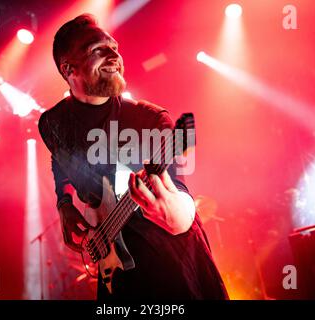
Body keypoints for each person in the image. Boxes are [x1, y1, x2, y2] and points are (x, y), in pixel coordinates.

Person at [38, 13, 228, 300]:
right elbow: (59, 161)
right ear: (69, 69)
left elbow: (179, 193)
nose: (114, 56)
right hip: (115, 273)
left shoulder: (149, 119)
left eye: (114, 47)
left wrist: (175, 213)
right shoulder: (52, 124)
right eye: (98, 50)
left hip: (170, 263)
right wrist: (64, 202)